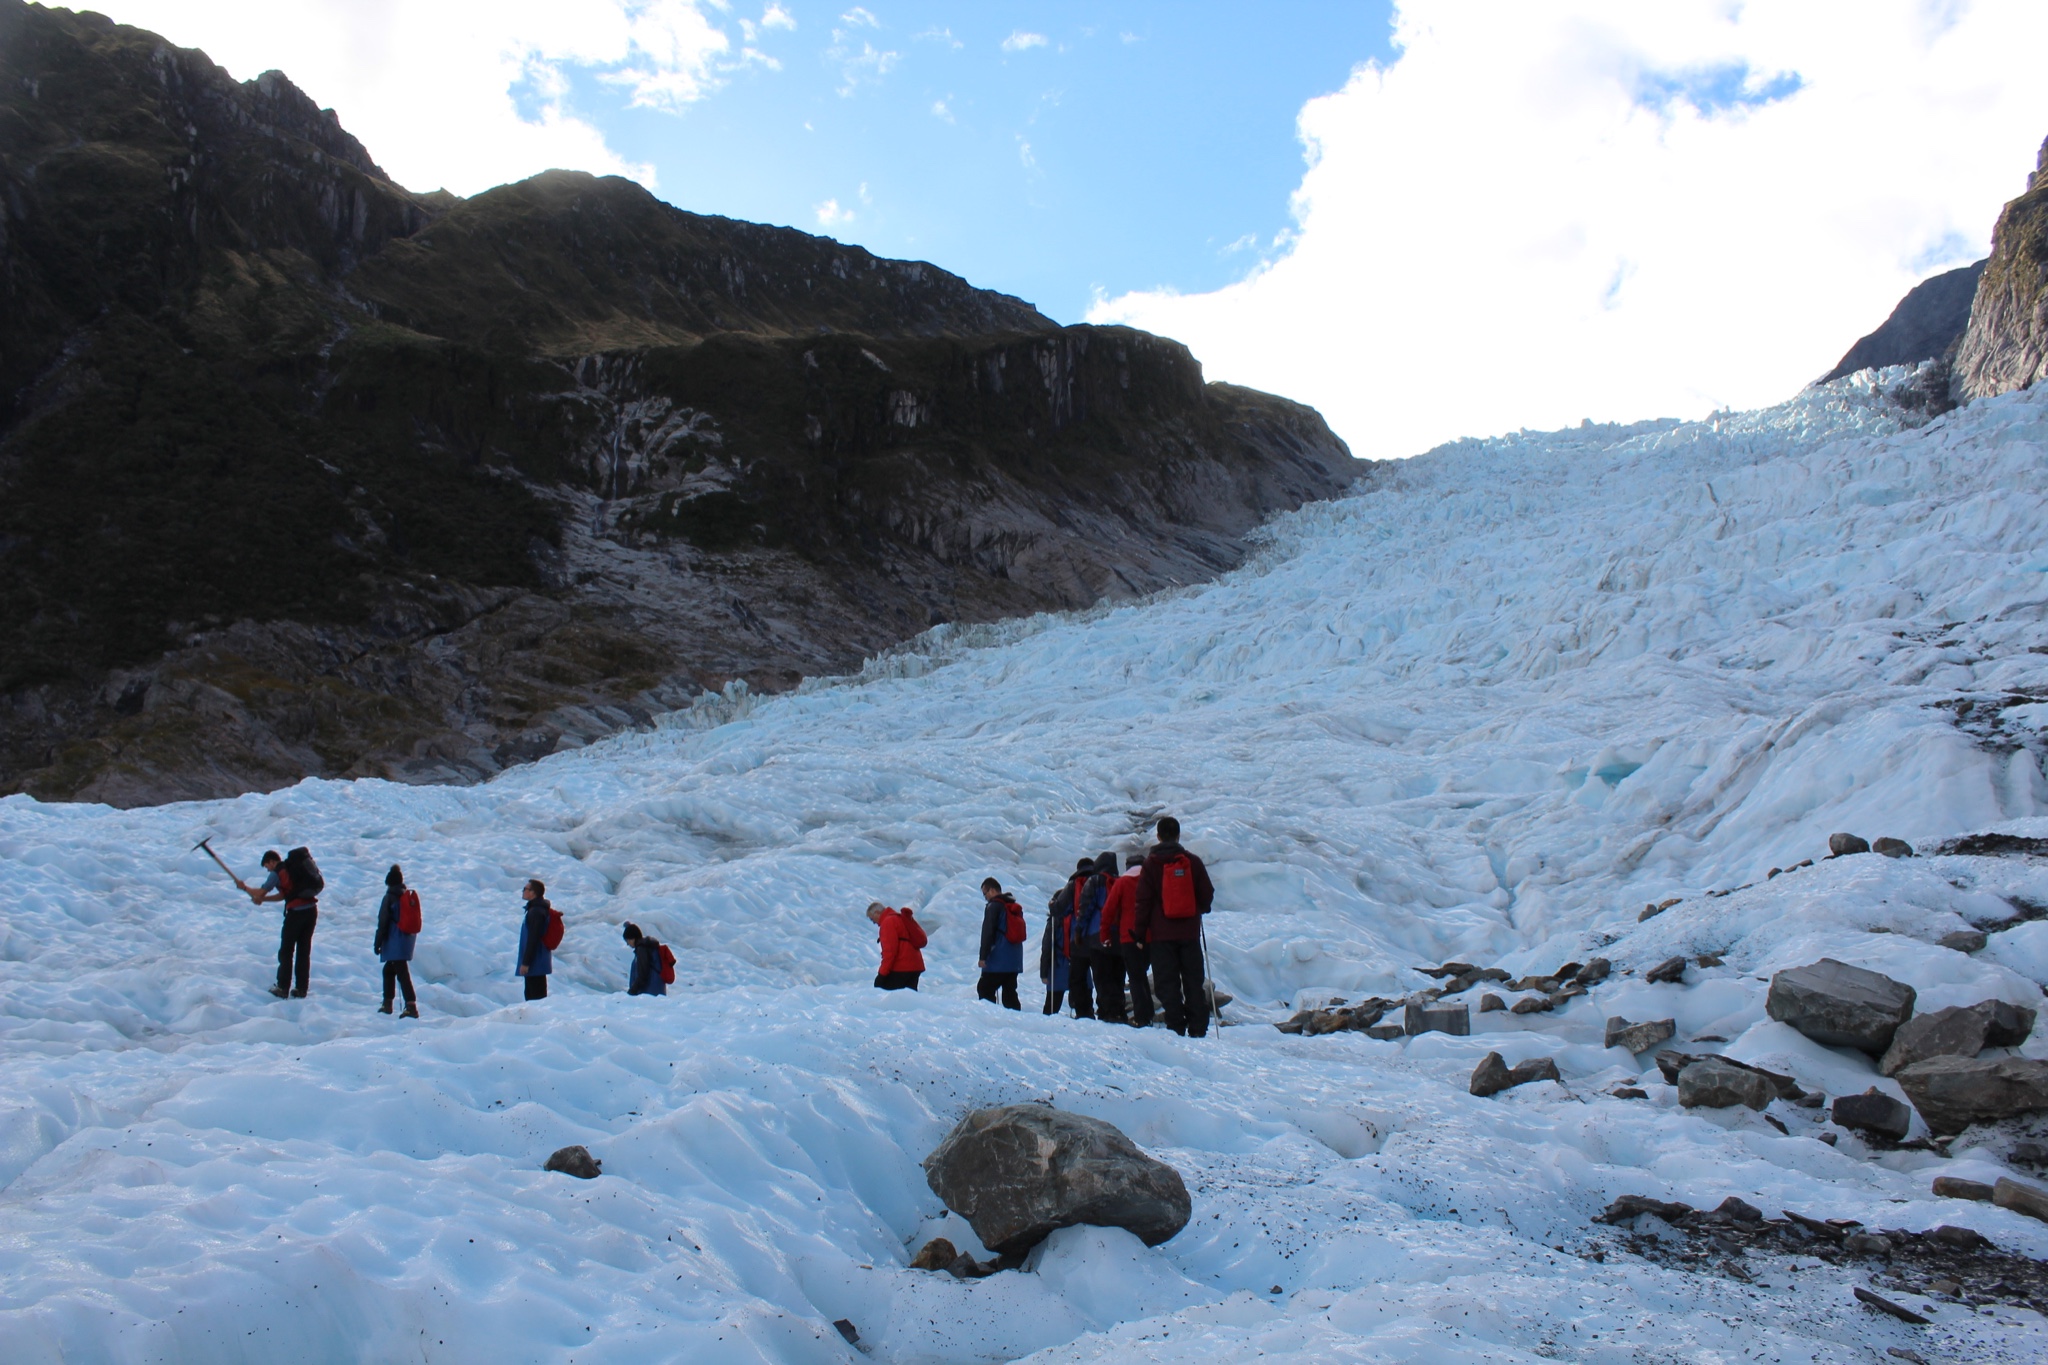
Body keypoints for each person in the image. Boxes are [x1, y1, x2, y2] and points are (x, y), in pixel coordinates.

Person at [1135, 816, 1216, 1037]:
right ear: (1178, 835)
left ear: (1158, 836)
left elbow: (1142, 901)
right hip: (1189, 933)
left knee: (1166, 983)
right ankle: (1198, 1029)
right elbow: (1207, 894)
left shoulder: (1151, 864)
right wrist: (1199, 909)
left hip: (1162, 935)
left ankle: (1176, 1026)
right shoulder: (1192, 862)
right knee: (1193, 982)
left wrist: (1140, 934)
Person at [248, 848, 320, 999]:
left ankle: (282, 987)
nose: (268, 870)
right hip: (311, 912)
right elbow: (283, 896)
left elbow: (261, 892)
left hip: (295, 915)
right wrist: (263, 899)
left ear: (272, 861)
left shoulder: (277, 873)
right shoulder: (292, 870)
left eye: (267, 866)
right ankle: (301, 989)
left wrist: (245, 888)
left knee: (286, 951)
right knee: (303, 951)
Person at [1095, 852, 1153, 1026]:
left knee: (1136, 977)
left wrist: (1104, 936)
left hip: (1129, 936)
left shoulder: (1122, 883)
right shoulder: (1153, 881)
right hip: (1153, 936)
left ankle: (1142, 1017)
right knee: (1144, 974)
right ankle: (1150, 1013)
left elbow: (1108, 911)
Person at [1040, 856, 1094, 1016]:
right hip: (1082, 956)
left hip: (1058, 965)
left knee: (1052, 1005)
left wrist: (1044, 972)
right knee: (1084, 999)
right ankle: (1087, 1020)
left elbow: (1047, 946)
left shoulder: (1056, 918)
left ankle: (1047, 1027)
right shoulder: (1084, 908)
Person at [374, 864, 419, 1017]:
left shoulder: (389, 898)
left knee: (401, 972)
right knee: (389, 970)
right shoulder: (405, 897)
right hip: (406, 940)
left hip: (395, 941)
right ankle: (388, 1003)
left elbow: (383, 922)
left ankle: (411, 1006)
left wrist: (377, 942)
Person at [975, 878, 1024, 1009]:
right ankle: (1015, 1020)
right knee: (1010, 992)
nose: (985, 897)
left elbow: (988, 933)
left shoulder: (994, 906)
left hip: (998, 959)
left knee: (984, 988)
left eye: (985, 893)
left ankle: (990, 1019)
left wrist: (983, 957)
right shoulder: (1012, 906)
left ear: (992, 890)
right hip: (1014, 959)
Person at [869, 901, 927, 990]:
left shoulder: (888, 922)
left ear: (877, 913)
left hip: (901, 968)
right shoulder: (900, 918)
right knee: (910, 1000)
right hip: (915, 966)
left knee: (889, 998)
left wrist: (881, 975)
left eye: (872, 919)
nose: (874, 923)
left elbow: (890, 952)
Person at [516, 879, 553, 1000]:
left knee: (535, 997)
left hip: (535, 963)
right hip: (538, 961)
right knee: (536, 995)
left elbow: (533, 938)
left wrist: (526, 963)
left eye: (525, 889)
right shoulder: (538, 909)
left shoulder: (536, 912)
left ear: (533, 892)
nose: (523, 891)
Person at [622, 922, 667, 996]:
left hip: (648, 993)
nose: (628, 944)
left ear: (633, 938)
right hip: (656, 991)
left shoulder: (642, 949)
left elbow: (642, 975)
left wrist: (631, 992)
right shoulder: (648, 947)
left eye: (628, 940)